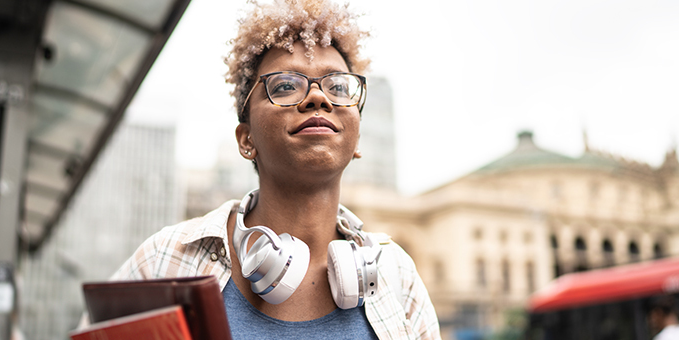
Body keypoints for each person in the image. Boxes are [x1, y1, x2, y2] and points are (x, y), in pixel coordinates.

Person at [108, 0, 441, 339]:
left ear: (357, 139)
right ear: (246, 138)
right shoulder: (164, 260)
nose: (318, 98)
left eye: (338, 87)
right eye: (285, 85)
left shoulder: (397, 275)